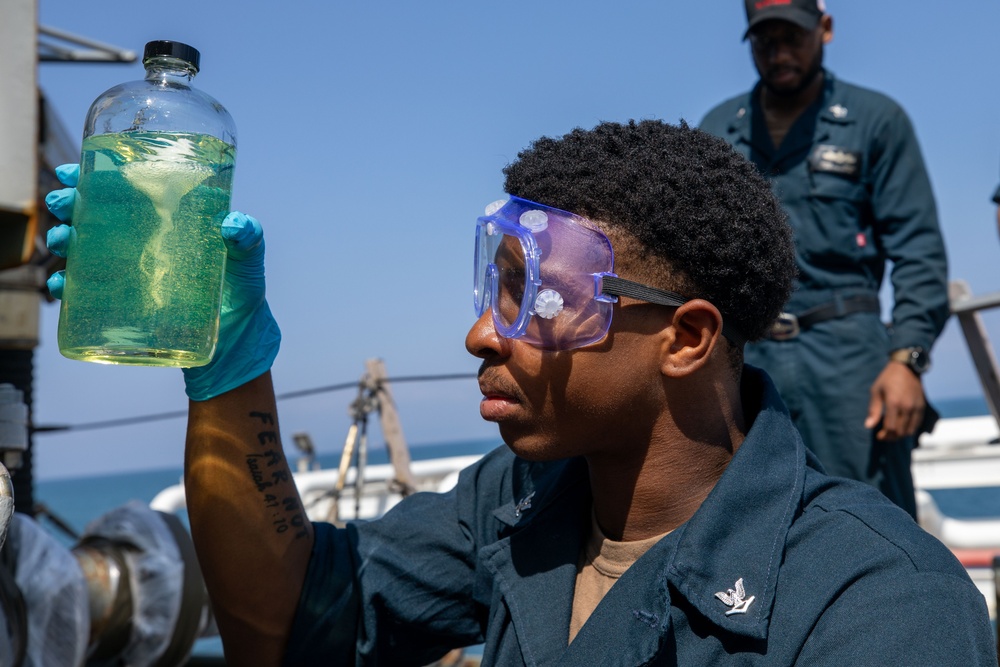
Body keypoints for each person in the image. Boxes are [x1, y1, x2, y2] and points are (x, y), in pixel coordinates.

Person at [44, 121, 994, 665]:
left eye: (537, 295)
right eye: (492, 286)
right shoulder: (524, 503)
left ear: (688, 336)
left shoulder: (882, 607)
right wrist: (228, 367)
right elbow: (282, 618)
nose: (481, 332)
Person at [699, 0, 950, 519]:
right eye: (765, 40)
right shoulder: (718, 129)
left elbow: (919, 250)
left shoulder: (876, 120)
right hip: (746, 353)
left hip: (847, 354)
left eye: (793, 36)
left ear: (826, 30)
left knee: (876, 517)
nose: (779, 52)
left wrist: (907, 360)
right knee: (747, 514)